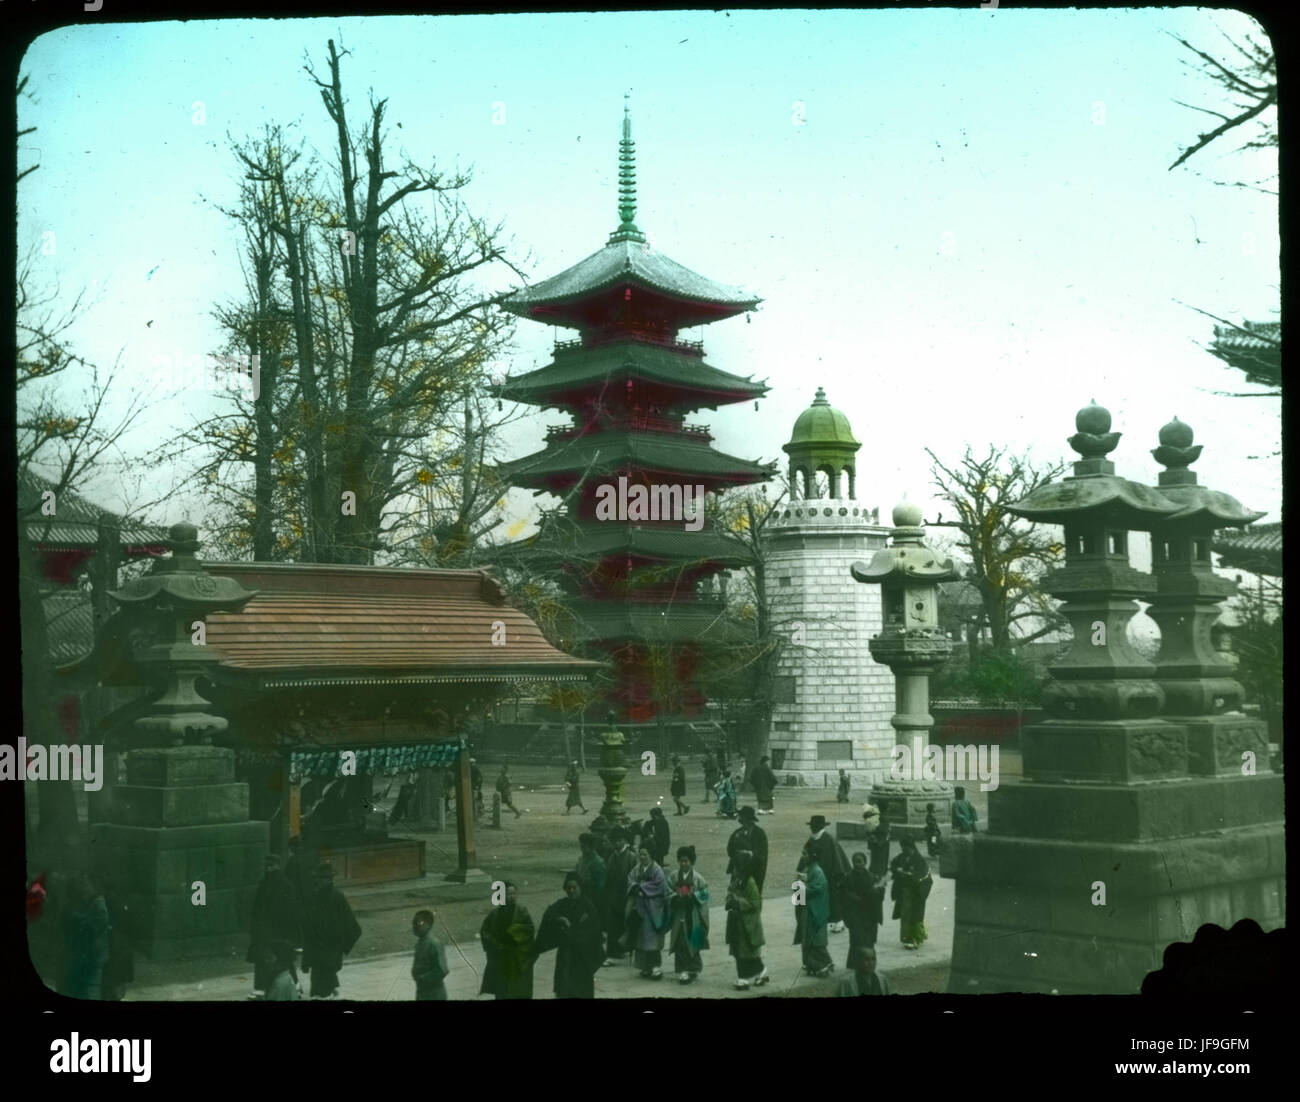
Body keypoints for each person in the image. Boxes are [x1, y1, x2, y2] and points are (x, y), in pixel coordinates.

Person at [532, 872, 604, 998]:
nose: (571, 891)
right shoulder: (563, 904)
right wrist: (560, 919)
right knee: (564, 989)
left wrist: (572, 935)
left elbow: (594, 931)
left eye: (574, 887)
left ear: (580, 888)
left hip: (583, 957)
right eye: (568, 888)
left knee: (581, 990)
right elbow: (549, 914)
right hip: (565, 956)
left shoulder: (588, 906)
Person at [301, 862, 362, 999]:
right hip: (317, 951)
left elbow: (353, 927)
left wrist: (340, 947)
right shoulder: (315, 896)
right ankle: (332, 990)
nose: (318, 881)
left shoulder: (337, 897)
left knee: (321, 989)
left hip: (330, 950)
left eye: (321, 878)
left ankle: (329, 992)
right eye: (317, 878)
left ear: (329, 879)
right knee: (319, 985)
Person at [248, 854, 304, 996]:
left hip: (277, 931)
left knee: (280, 959)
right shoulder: (278, 884)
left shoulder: (278, 884)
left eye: (272, 865)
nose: (269, 868)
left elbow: (291, 911)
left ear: (278, 866)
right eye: (267, 866)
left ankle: (291, 986)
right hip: (272, 931)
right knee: (276, 958)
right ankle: (265, 988)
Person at [479, 881, 535, 999]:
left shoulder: (522, 911)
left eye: (514, 894)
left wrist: (512, 935)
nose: (512, 897)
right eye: (509, 894)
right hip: (501, 958)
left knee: (517, 990)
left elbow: (529, 929)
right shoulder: (495, 913)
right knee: (502, 990)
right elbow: (485, 931)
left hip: (517, 958)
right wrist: (494, 943)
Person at [61, 873, 110, 1000]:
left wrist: (78, 920)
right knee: (86, 987)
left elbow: (96, 924)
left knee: (91, 988)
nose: (83, 888)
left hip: (94, 954)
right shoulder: (90, 901)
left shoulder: (99, 903)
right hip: (89, 954)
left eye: (86, 885)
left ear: (95, 887)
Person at [799, 815, 851, 933]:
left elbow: (836, 859)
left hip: (832, 875)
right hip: (818, 875)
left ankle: (839, 922)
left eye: (815, 826)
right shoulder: (812, 839)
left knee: (834, 900)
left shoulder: (828, 839)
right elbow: (805, 857)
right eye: (812, 826)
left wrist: (836, 876)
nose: (812, 828)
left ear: (821, 826)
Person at [724, 851, 768, 990]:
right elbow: (730, 894)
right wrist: (729, 899)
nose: (735, 870)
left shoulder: (750, 883)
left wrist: (737, 901)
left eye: (737, 867)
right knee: (739, 950)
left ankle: (744, 978)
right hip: (736, 922)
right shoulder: (737, 880)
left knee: (746, 952)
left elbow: (756, 903)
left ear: (743, 867)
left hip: (746, 924)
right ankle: (760, 971)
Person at [666, 846, 710, 984]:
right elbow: (667, 890)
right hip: (679, 912)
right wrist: (675, 897)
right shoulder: (673, 876)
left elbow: (705, 892)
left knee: (692, 939)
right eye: (681, 861)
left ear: (692, 862)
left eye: (686, 861)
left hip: (693, 913)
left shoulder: (697, 878)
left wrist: (693, 897)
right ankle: (683, 969)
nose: (683, 864)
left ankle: (693, 968)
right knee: (680, 940)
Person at [626, 845, 670, 980]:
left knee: (652, 938)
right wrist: (635, 886)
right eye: (641, 854)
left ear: (651, 855)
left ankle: (656, 966)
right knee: (641, 938)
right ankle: (645, 967)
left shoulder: (657, 870)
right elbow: (630, 879)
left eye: (645, 854)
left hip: (653, 907)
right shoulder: (637, 868)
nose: (642, 857)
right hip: (640, 907)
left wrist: (641, 887)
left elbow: (659, 885)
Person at [793, 843, 833, 977]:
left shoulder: (817, 871)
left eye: (805, 854)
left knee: (815, 939)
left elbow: (818, 889)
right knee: (807, 937)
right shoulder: (808, 868)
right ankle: (812, 964)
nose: (802, 856)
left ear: (812, 856)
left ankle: (824, 963)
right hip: (807, 908)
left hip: (815, 909)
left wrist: (801, 887)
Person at [602, 828, 638, 965]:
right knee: (612, 925)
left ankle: (624, 949)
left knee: (625, 924)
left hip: (626, 896)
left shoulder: (631, 856)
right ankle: (612, 952)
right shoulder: (612, 856)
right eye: (615, 841)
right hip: (613, 896)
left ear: (625, 841)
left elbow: (634, 877)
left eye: (619, 840)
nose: (617, 843)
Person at [890, 837, 933, 949]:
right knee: (906, 915)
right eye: (903, 847)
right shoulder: (902, 856)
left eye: (906, 847)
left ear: (911, 847)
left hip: (917, 892)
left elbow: (923, 875)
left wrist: (910, 874)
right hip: (905, 891)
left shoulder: (919, 859)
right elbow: (893, 864)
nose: (904, 850)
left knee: (916, 915)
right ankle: (907, 939)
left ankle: (915, 939)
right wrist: (897, 870)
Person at [841, 851, 883, 967]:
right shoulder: (848, 877)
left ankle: (869, 964)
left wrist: (878, 890)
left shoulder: (871, 876)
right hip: (856, 914)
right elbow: (844, 893)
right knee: (856, 940)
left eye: (859, 861)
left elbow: (879, 894)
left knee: (869, 940)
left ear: (865, 862)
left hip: (869, 915)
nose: (857, 864)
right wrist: (853, 897)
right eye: (854, 862)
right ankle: (855, 964)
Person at [99, 874, 134, 1002]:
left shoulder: (107, 899)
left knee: (112, 978)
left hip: (114, 943)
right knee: (116, 979)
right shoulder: (117, 899)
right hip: (119, 942)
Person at [725, 806, 769, 890]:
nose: (740, 818)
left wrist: (750, 854)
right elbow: (730, 849)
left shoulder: (759, 833)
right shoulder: (737, 832)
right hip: (739, 869)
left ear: (747, 818)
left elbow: (762, 852)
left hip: (754, 870)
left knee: (751, 895)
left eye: (741, 816)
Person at [411, 909, 450, 1001]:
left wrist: (423, 978)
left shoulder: (434, 944)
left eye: (419, 923)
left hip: (435, 994)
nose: (414, 926)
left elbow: (442, 970)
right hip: (422, 993)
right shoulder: (419, 944)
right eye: (413, 924)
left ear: (428, 925)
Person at [574, 833, 607, 901]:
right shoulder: (581, 859)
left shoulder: (598, 862)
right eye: (581, 846)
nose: (581, 849)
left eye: (583, 847)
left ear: (591, 847)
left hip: (591, 898)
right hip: (580, 896)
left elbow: (600, 887)